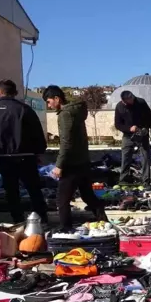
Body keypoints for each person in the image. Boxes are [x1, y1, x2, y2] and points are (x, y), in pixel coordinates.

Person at [42, 86, 107, 230]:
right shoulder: (76, 111)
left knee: (62, 199)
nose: (49, 105)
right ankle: (103, 220)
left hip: (71, 164)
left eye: (49, 101)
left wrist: (59, 165)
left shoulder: (65, 114)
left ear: (57, 99)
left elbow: (66, 142)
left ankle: (66, 228)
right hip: (83, 161)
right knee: (87, 195)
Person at [0, 80, 48, 223]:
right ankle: (41, 218)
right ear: (16, 92)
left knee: (11, 192)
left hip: (3, 158)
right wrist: (39, 151)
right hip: (26, 157)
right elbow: (37, 133)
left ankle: (17, 219)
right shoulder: (24, 109)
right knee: (33, 189)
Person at [114, 90, 151, 188]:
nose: (132, 101)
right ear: (124, 101)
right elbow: (118, 124)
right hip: (128, 135)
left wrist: (145, 127)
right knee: (126, 156)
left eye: (133, 99)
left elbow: (150, 117)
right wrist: (129, 129)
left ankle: (146, 181)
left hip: (142, 133)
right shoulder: (119, 107)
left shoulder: (140, 102)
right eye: (129, 100)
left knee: (145, 157)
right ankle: (123, 180)